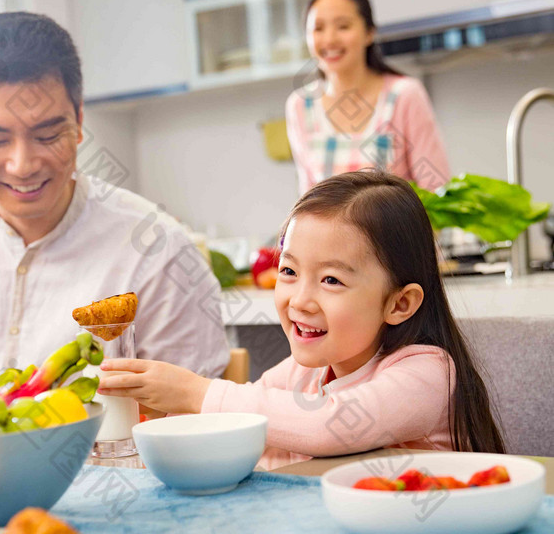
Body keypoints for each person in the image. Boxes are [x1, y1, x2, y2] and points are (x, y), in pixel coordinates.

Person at [0, 12, 229, 385]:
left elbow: (193, 419)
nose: (23, 165)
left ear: (79, 121)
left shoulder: (158, 253)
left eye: (48, 135)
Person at [97, 170, 507, 457]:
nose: (300, 300)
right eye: (289, 271)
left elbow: (330, 426)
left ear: (399, 303)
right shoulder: (304, 372)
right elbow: (249, 425)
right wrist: (170, 411)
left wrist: (196, 393)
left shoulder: (428, 374)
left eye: (330, 280)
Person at [285, 0, 450, 195]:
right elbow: (308, 198)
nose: (330, 39)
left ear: (369, 33)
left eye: (343, 26)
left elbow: (437, 191)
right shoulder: (299, 105)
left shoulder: (405, 95)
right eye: (318, 28)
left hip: (397, 230)